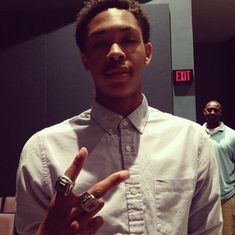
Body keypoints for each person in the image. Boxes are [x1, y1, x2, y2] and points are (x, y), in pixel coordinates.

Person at [15, 0, 223, 234]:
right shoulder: (43, 150)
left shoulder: (192, 141)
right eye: (100, 43)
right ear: (85, 59)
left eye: (129, 40)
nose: (115, 52)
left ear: (148, 52)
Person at [203, 100, 235, 235]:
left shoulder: (232, 135)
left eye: (216, 110)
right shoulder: (197, 134)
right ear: (204, 112)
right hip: (204, 198)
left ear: (221, 113)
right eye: (209, 110)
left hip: (226, 197)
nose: (212, 112)